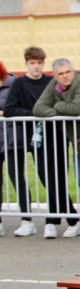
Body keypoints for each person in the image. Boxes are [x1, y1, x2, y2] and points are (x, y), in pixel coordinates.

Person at [34, 58, 80, 203]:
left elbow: (77, 109)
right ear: (55, 75)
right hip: (78, 140)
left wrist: (57, 105)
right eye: (61, 73)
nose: (65, 76)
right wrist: (63, 112)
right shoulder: (54, 85)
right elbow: (38, 108)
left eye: (68, 72)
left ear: (73, 71)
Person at [3, 46, 54, 237]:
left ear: (43, 64)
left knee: (46, 177)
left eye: (39, 63)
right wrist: (35, 114)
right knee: (16, 175)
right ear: (26, 64)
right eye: (32, 63)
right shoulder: (18, 83)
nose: (36, 67)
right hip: (21, 136)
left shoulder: (50, 82)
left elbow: (55, 105)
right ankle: (26, 220)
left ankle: (52, 220)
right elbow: (9, 109)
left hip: (45, 137)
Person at [0, 60, 16, 237]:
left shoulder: (11, 83)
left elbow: (13, 108)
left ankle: (26, 219)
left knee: (16, 177)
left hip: (11, 138)